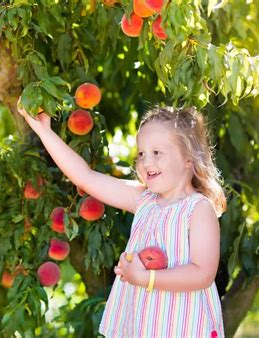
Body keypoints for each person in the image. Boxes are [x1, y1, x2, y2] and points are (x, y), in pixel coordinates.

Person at [18, 103, 226, 338]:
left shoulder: (198, 209)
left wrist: (145, 278)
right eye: (141, 154)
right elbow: (85, 178)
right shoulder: (145, 200)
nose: (146, 162)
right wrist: (44, 130)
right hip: (143, 326)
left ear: (188, 158)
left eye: (157, 153)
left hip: (184, 327)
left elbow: (202, 274)